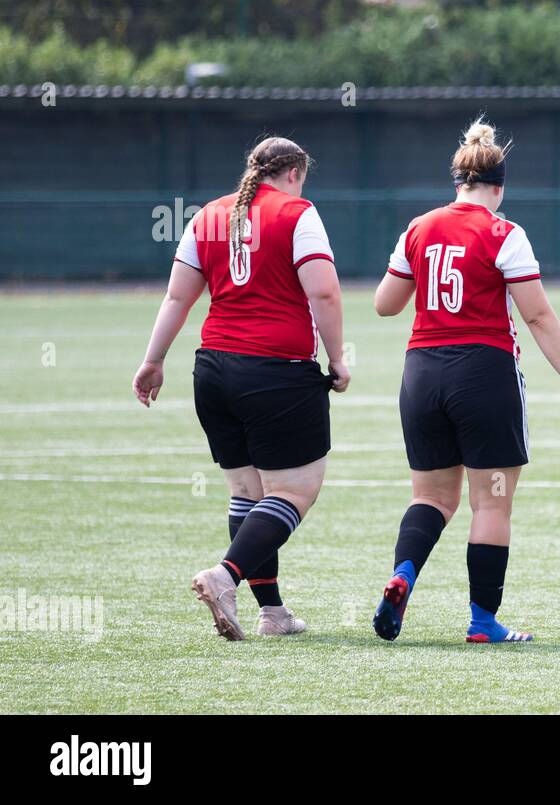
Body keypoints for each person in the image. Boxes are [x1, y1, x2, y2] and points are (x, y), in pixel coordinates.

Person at [370, 118, 560, 643]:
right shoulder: (505, 233)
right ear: (498, 187)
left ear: (457, 183)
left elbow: (385, 305)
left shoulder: (419, 227)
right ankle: (483, 622)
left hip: (422, 376)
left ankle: (403, 575)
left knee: (431, 498)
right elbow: (538, 317)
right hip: (484, 374)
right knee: (492, 501)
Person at [132, 136, 349, 641]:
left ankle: (272, 613)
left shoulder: (207, 215)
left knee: (247, 493)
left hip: (212, 371)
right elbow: (324, 290)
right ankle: (225, 577)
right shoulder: (299, 213)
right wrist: (337, 359)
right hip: (275, 370)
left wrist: (153, 359)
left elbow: (177, 297)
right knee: (295, 490)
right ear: (294, 172)